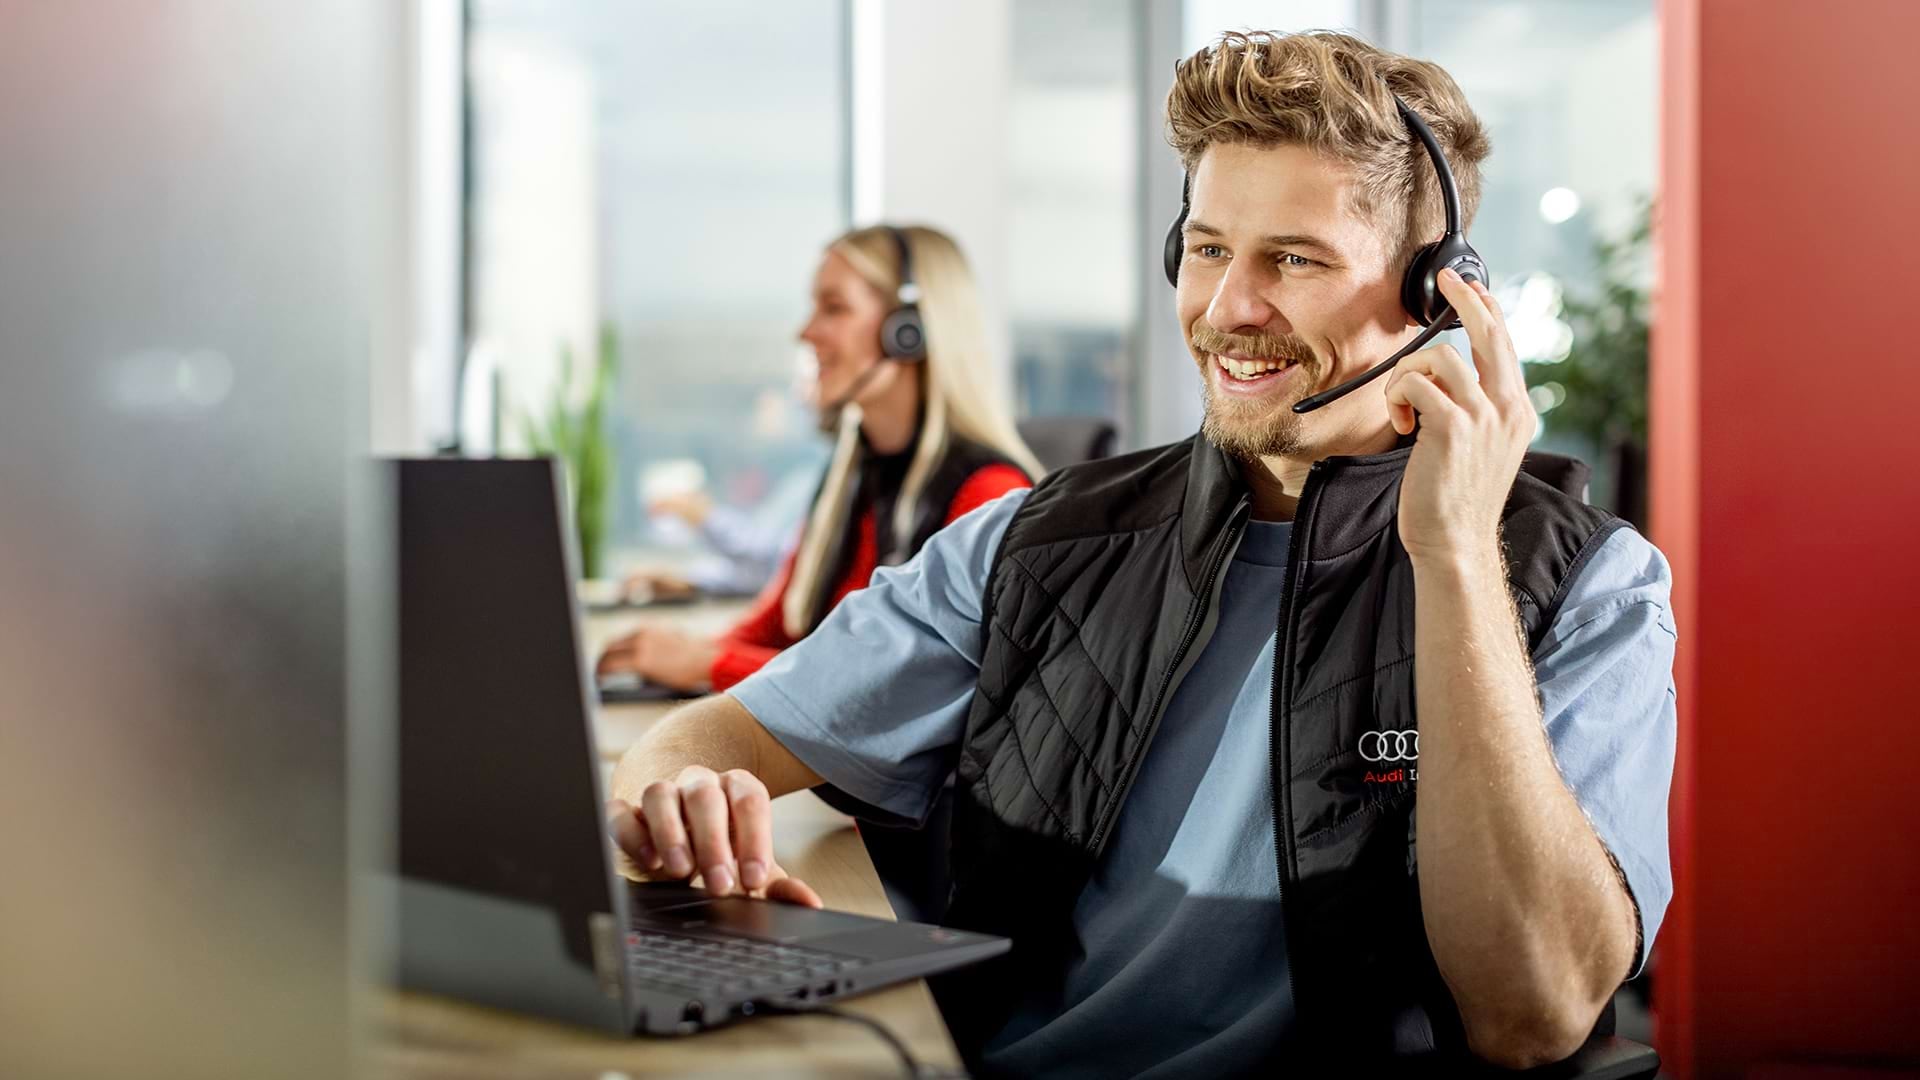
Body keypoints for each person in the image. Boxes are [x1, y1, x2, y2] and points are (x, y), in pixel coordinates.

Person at [606, 30, 1676, 1076]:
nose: (1227, 309)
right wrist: (675, 797)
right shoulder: (1038, 541)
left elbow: (1531, 1016)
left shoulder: (1592, 589)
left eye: (1293, 260)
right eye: (1207, 249)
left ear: (1439, 296)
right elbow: (709, 737)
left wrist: (1450, 554)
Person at [596, 224, 1042, 693]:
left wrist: (709, 665)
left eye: (835, 308)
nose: (806, 331)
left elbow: (903, 689)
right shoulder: (851, 473)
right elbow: (780, 622)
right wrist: (675, 657)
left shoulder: (987, 491)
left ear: (907, 333)